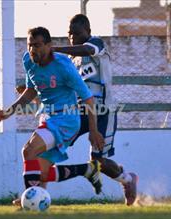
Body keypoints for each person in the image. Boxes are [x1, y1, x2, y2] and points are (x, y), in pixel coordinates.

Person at [0, 27, 105, 205]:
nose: (32, 50)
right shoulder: (28, 61)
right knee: (41, 172)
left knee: (28, 151)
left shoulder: (63, 66)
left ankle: (30, 199)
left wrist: (93, 130)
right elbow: (31, 91)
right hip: (48, 117)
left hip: (66, 120)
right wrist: (9, 111)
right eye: (30, 45)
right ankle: (87, 170)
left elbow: (88, 98)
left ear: (49, 45)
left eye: (37, 45)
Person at [52, 14, 138, 206]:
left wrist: (54, 49)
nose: (72, 37)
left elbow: (86, 49)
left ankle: (128, 180)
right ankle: (34, 189)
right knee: (50, 145)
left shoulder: (97, 44)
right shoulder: (71, 60)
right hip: (79, 113)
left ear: (88, 32)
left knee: (98, 162)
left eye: (77, 33)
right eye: (70, 34)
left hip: (103, 113)